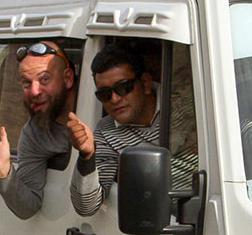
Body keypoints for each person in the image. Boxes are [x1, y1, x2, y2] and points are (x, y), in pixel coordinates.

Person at [0, 40, 83, 218]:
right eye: (26, 82)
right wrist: (4, 172)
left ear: (68, 78)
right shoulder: (35, 132)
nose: (34, 91)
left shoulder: (103, 107)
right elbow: (28, 206)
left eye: (44, 79)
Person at [70, 45, 196, 215]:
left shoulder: (189, 107)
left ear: (145, 83)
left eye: (123, 87)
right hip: (163, 224)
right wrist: (87, 156)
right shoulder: (106, 132)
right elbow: (87, 207)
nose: (114, 99)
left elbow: (242, 135)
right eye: (105, 94)